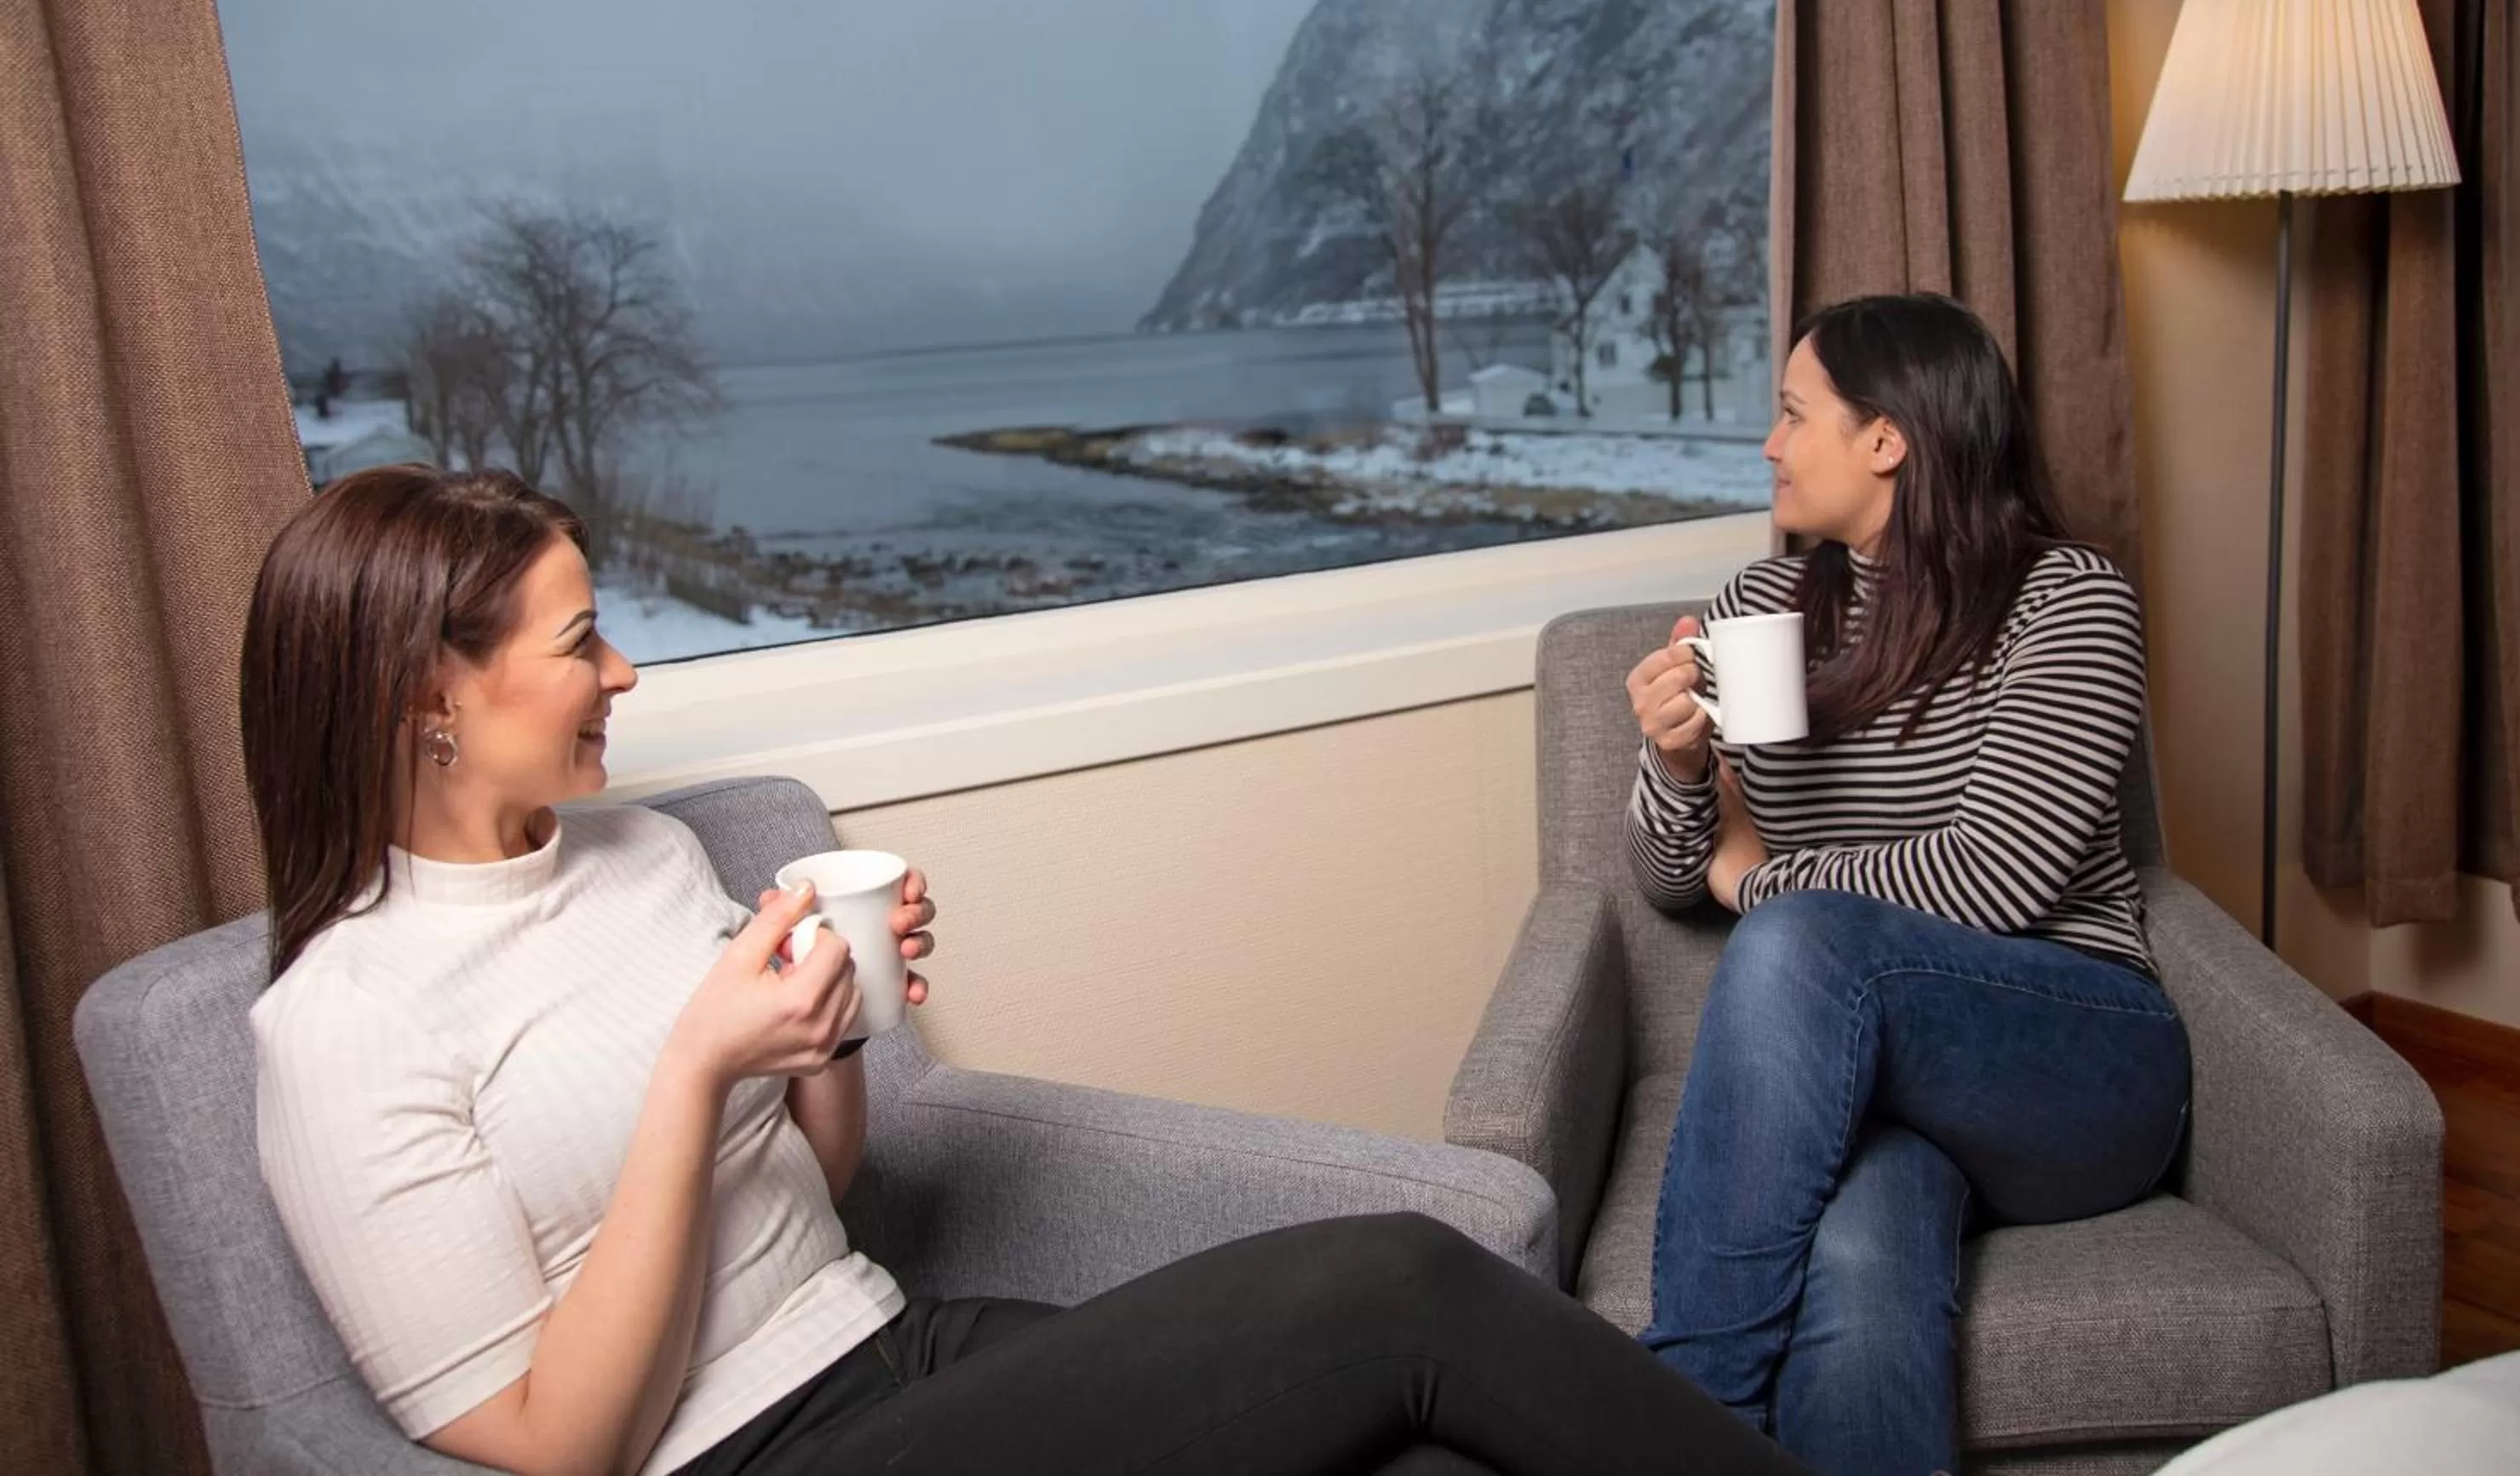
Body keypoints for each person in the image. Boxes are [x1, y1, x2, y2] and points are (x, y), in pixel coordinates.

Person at [244, 464, 1805, 1476]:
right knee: (1395, 1282)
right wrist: (696, 1069)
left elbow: (825, 1194)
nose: (627, 671)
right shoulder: (342, 1024)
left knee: (1426, 1464)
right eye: (581, 641)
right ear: (428, 693)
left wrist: (830, 1033)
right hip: (738, 1457)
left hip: (891, 1343)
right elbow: (559, 1440)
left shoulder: (640, 860)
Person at [1621, 294, 2190, 1476]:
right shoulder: (1764, 612)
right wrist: (1680, 770)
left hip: (2073, 1059)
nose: (1769, 445)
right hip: (1874, 1095)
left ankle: (1676, 1418)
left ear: (1887, 440)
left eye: (1792, 415)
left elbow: (1992, 881)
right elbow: (1668, 876)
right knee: (1863, 1249)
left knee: (1795, 941)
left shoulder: (2068, 602)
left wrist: (1763, 884)